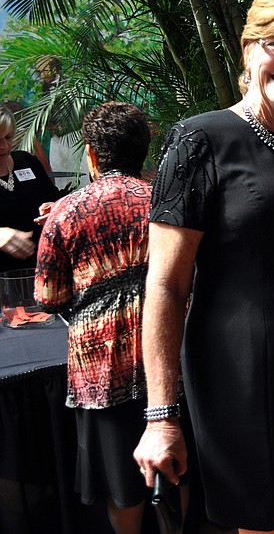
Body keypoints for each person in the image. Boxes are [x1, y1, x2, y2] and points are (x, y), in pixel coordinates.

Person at [133, 0, 274, 533]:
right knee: (261, 520)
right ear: (248, 48)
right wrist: (161, 415)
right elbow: (165, 287)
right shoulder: (200, 141)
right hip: (240, 373)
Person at [34, 102, 169, 534]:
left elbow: (47, 295)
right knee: (175, 468)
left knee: (122, 486)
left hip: (101, 369)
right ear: (144, 151)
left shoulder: (67, 212)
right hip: (167, 360)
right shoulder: (166, 200)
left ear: (91, 154)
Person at [0, 104, 61, 273]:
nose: (4, 146)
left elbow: (56, 199)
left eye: (7, 137)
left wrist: (54, 208)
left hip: (41, 273)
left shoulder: (26, 162)